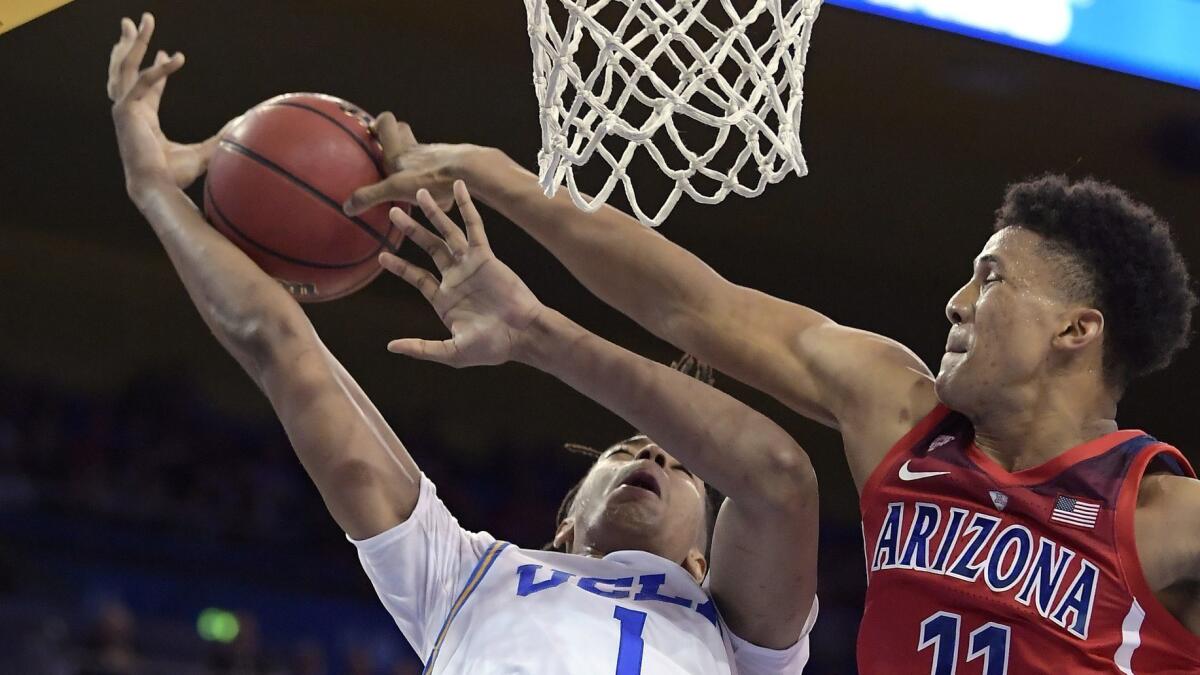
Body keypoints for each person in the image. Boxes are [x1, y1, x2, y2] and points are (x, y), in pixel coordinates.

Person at [343, 114, 1200, 670]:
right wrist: (497, 175)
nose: (958, 301)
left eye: (991, 280)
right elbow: (692, 303)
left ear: (1075, 331)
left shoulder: (1164, 516)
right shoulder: (903, 419)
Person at [107, 13, 819, 674]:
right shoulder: (465, 572)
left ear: (703, 560)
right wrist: (154, 192)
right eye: (625, 450)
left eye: (683, 464)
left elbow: (778, 478)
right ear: (564, 528)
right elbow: (283, 348)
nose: (654, 451)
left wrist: (537, 330)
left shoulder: (734, 632)